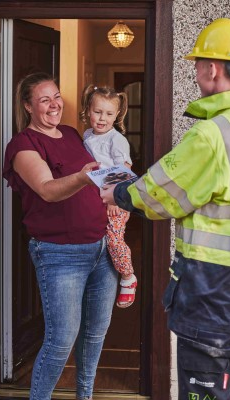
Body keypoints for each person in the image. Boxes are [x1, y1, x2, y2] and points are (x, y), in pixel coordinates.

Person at [101, 18, 230, 400]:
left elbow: (159, 194)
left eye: (197, 64)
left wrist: (119, 194)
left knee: (207, 391)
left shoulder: (213, 135)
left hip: (212, 298)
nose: (194, 72)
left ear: (212, 68)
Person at [3, 72, 118, 400]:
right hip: (59, 253)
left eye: (56, 96)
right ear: (27, 106)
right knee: (61, 339)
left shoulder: (70, 133)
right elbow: (47, 190)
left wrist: (115, 181)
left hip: (101, 248)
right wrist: (83, 177)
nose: (54, 104)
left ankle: (85, 396)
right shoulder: (23, 145)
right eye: (44, 100)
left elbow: (95, 178)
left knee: (95, 334)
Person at [79, 84, 137, 308]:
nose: (102, 118)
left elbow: (126, 167)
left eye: (109, 114)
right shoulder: (87, 135)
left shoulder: (116, 140)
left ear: (117, 116)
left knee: (114, 239)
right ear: (88, 110)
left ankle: (128, 277)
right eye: (98, 112)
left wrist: (114, 197)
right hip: (99, 198)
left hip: (116, 198)